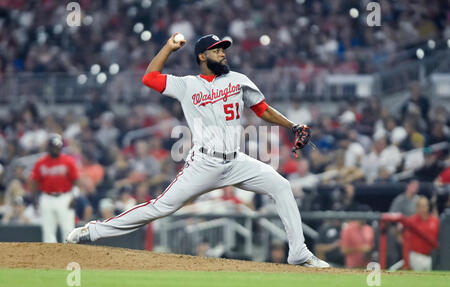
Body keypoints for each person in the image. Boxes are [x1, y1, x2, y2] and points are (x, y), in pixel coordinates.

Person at [67, 33, 329, 268]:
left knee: (281, 186)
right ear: (202, 56)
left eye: (223, 49)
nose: (223, 53)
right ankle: (94, 231)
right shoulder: (187, 84)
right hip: (204, 163)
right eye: (216, 50)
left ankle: (298, 252)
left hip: (237, 161)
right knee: (160, 207)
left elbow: (263, 110)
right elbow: (149, 78)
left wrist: (292, 125)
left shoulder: (239, 80)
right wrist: (169, 48)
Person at [30, 133, 80, 243]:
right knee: (48, 230)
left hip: (65, 197)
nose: (56, 149)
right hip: (47, 197)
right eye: (53, 146)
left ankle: (69, 254)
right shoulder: (41, 162)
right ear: (48, 147)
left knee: (68, 229)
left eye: (58, 147)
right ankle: (50, 259)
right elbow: (35, 181)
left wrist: (74, 196)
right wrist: (34, 198)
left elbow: (76, 180)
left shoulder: (68, 161)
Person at [403, 196, 439, 271]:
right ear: (417, 207)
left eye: (425, 206)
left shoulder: (435, 221)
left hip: (430, 256)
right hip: (416, 255)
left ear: (428, 207)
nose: (423, 208)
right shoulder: (411, 220)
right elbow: (401, 235)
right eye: (421, 206)